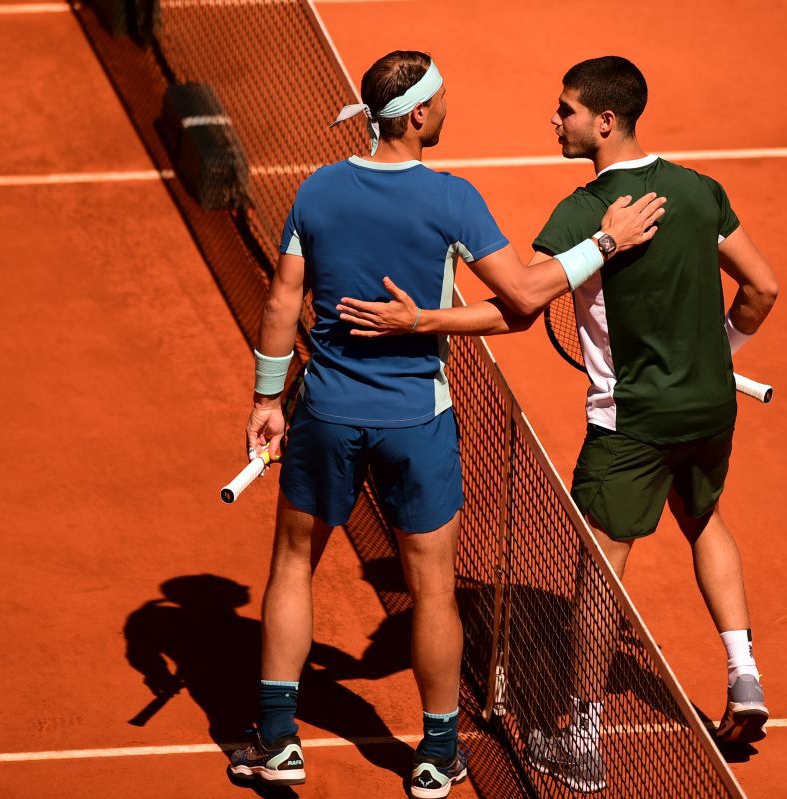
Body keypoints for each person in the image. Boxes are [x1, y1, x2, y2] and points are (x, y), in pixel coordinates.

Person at [337, 55, 779, 793]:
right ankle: (745, 676)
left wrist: (425, 321)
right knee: (704, 520)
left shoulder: (581, 213)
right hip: (710, 407)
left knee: (599, 571)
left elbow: (519, 307)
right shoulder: (702, 191)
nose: (554, 119)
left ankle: (581, 735)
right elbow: (763, 286)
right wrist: (717, 353)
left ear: (605, 122)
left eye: (566, 110)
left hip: (629, 423)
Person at [231, 50, 665, 798]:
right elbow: (525, 295)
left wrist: (268, 400)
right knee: (433, 590)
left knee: (294, 564)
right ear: (422, 116)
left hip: (326, 413)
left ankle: (277, 740)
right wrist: (604, 242)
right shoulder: (452, 200)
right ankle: (436, 755)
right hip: (417, 421)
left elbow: (279, 305)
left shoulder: (319, 190)